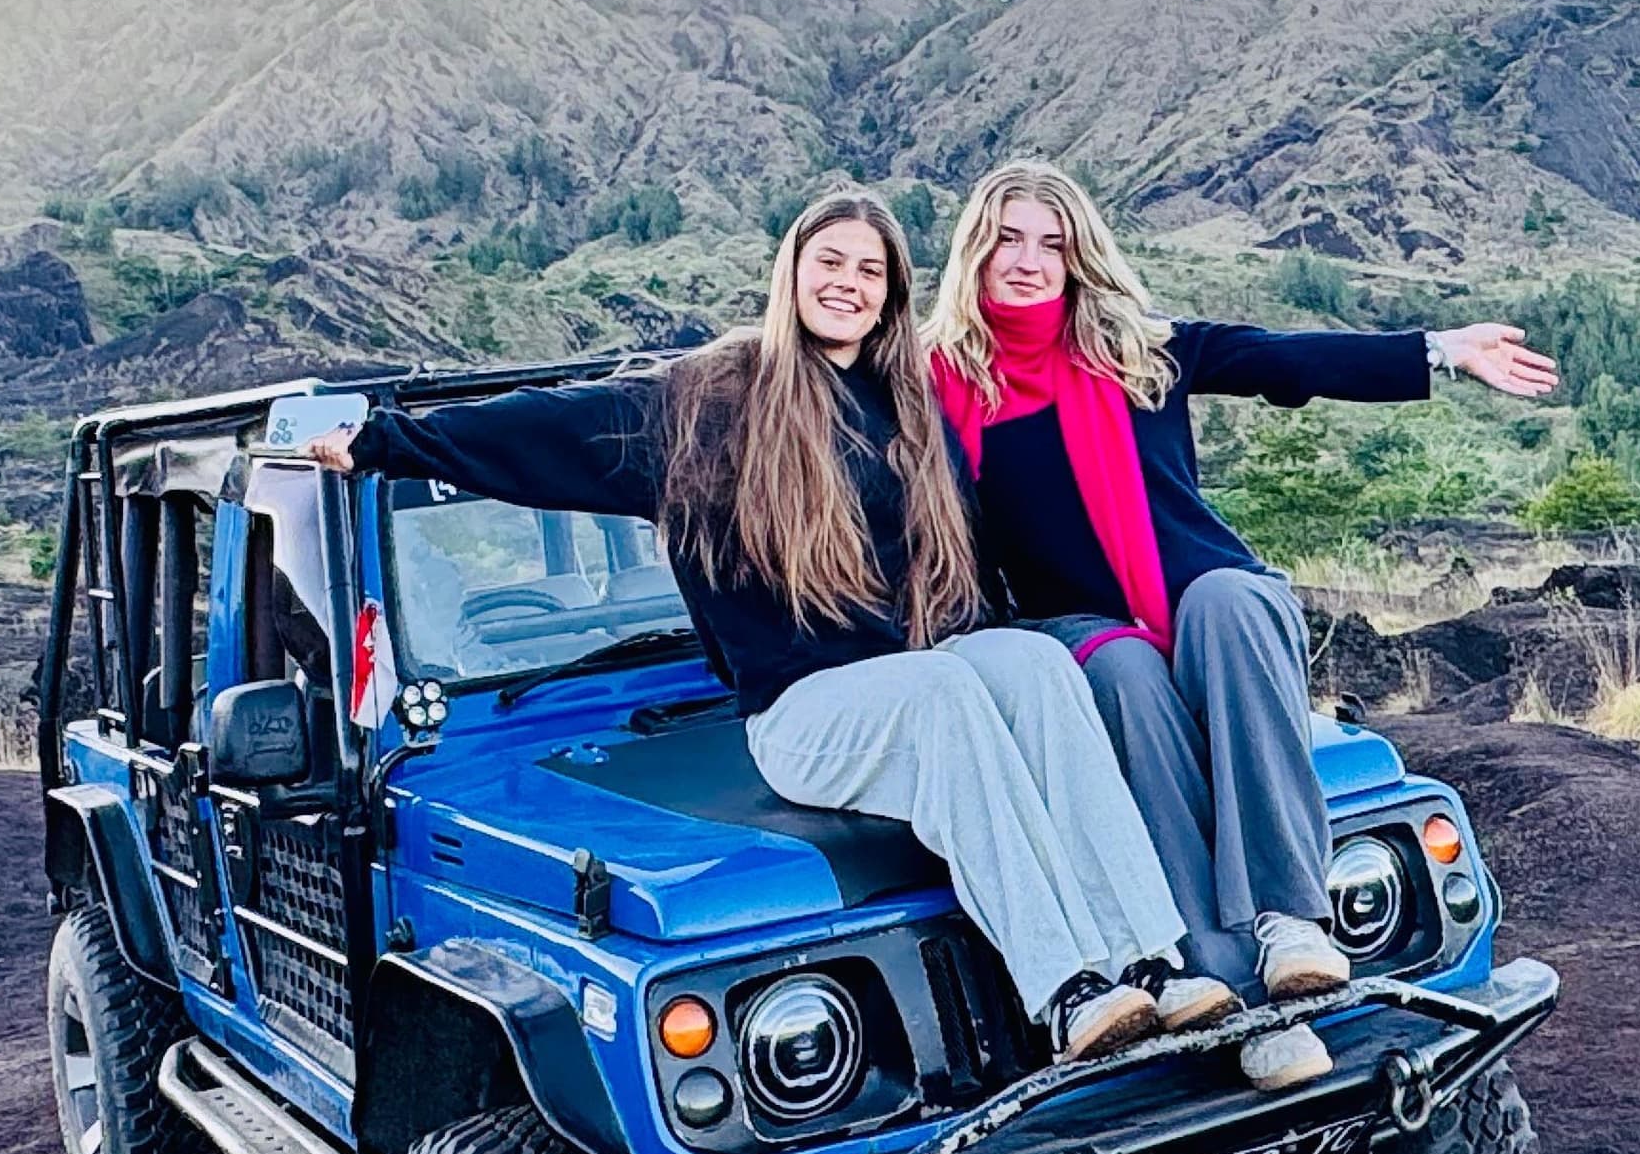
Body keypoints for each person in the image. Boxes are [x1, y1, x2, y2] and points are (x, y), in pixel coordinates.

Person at [309, 188, 1210, 1064]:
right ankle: (1063, 989)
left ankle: (1147, 962)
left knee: (1033, 663)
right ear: (792, 272)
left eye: (871, 271)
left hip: (912, 688)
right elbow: (548, 429)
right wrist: (385, 440)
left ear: (893, 294)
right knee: (944, 687)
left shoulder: (906, 405)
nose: (848, 284)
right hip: (804, 717)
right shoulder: (710, 402)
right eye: (830, 261)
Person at [929, 160, 1562, 1091]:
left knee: (1230, 607)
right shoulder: (937, 387)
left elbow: (1281, 359)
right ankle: (1227, 987)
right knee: (1125, 680)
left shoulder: (1141, 351)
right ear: (975, 250)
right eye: (1009, 240)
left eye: (1052, 244)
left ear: (1077, 259)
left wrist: (1439, 348)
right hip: (1069, 624)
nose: (1029, 262)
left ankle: (1290, 924)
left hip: (1197, 589)